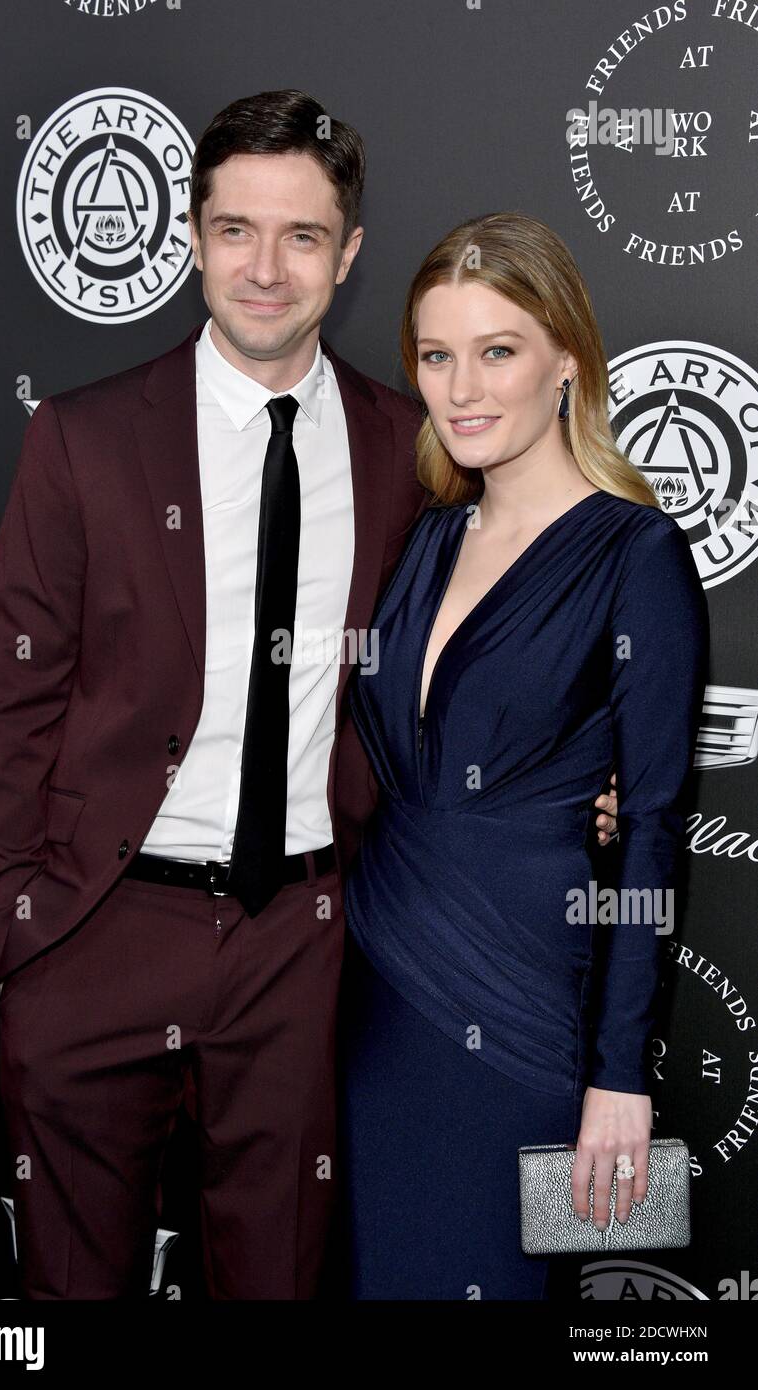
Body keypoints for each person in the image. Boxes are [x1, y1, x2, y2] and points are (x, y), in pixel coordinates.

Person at [0, 90, 618, 1300]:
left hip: (301, 949)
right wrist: (11, 938)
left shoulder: (406, 450)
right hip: (98, 931)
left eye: (302, 236)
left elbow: (477, 650)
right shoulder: (84, 439)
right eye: (236, 230)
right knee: (68, 1293)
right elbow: (14, 700)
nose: (265, 268)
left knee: (281, 1279)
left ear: (347, 254)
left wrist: (584, 776)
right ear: (195, 237)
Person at [337, 211, 709, 1300]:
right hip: (367, 995)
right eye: (437, 354)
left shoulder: (633, 553)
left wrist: (619, 1075)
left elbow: (648, 830)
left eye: (497, 350)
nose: (462, 387)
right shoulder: (428, 534)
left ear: (566, 363)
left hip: (519, 1008)